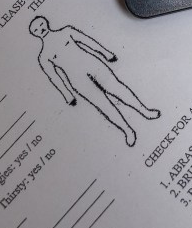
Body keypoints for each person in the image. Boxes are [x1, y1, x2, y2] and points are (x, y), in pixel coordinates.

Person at [29, 16, 160, 146]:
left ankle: (145, 111)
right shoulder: (44, 56)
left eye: (41, 24)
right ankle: (127, 130)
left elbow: (87, 41)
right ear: (34, 34)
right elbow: (54, 77)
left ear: (45, 22)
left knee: (117, 88)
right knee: (103, 105)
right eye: (36, 29)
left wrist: (106, 53)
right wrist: (67, 95)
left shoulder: (66, 31)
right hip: (76, 78)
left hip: (92, 63)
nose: (40, 29)